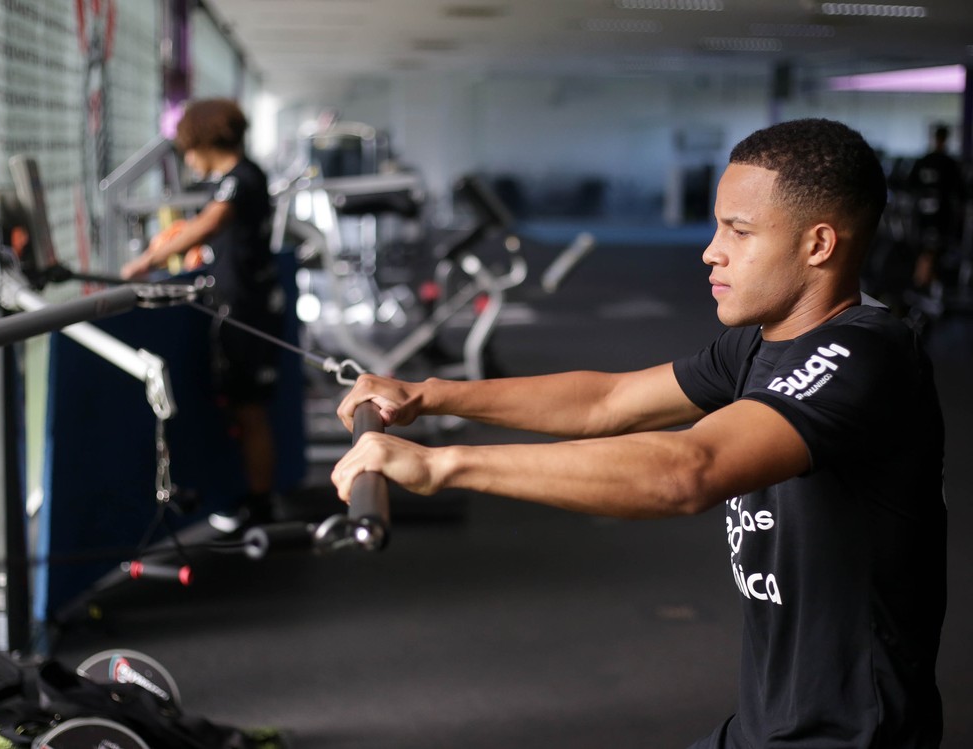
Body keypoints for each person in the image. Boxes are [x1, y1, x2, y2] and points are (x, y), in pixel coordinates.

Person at [332, 119, 946, 748]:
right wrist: (426, 395)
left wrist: (442, 466)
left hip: (847, 736)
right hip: (767, 726)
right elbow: (609, 401)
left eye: (739, 231)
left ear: (818, 245)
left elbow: (687, 470)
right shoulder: (760, 344)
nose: (711, 251)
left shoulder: (862, 356)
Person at [121, 97, 285, 532]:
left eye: (189, 149)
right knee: (239, 406)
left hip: (246, 310)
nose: (188, 159)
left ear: (206, 142)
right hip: (235, 306)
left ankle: (261, 505)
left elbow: (211, 222)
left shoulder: (241, 179)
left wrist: (148, 260)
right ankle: (250, 497)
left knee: (249, 409)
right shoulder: (236, 180)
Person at [908, 124, 966, 291]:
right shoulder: (949, 163)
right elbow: (960, 191)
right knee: (930, 251)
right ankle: (922, 284)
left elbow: (911, 185)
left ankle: (926, 284)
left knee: (929, 251)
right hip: (938, 217)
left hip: (926, 216)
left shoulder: (924, 161)